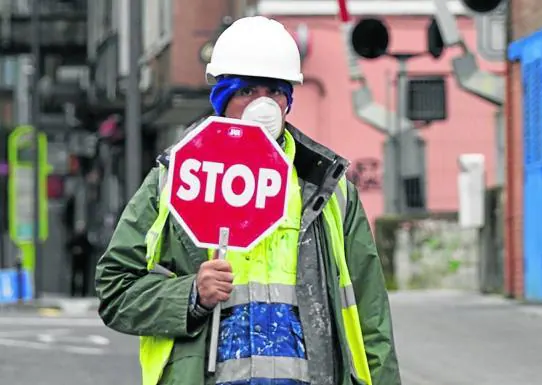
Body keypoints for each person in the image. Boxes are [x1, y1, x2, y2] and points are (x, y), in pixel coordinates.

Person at [95, 16, 401, 385]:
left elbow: (372, 321)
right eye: (247, 92)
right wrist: (190, 295)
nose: (263, 106)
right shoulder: (177, 179)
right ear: (222, 99)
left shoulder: (328, 189)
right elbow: (116, 289)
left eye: (274, 92)